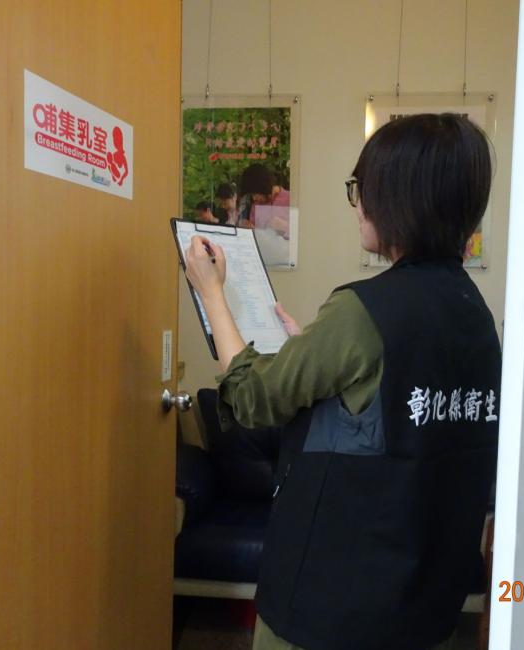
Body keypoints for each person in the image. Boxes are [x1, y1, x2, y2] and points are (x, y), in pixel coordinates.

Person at [184, 114, 501, 650]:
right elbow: (385, 410)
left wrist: (212, 294)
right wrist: (308, 350)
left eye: (364, 189)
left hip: (332, 605)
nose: (358, 204)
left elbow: (253, 400)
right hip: (423, 605)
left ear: (401, 199)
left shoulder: (361, 310)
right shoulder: (476, 314)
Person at [239, 163, 290, 237]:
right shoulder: (255, 205)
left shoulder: (290, 199)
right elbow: (256, 235)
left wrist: (285, 226)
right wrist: (250, 229)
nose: (254, 198)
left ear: (263, 186)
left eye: (255, 194)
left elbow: (305, 233)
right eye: (251, 195)